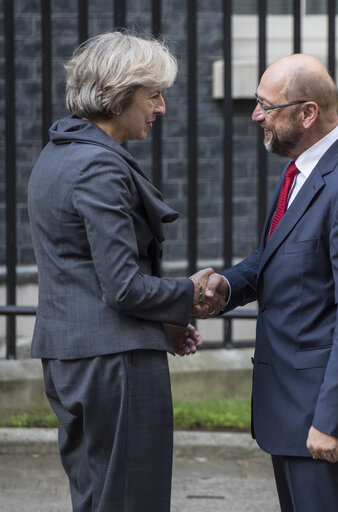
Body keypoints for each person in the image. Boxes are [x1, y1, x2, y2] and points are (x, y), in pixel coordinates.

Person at [27, 31, 223, 512]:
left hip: (73, 357)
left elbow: (88, 272)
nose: (160, 108)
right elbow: (122, 285)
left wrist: (167, 320)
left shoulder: (57, 153)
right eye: (153, 95)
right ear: (118, 94)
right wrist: (188, 294)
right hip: (115, 364)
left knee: (97, 499)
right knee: (134, 500)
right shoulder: (98, 167)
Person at [199, 54, 338, 511]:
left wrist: (331, 421)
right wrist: (226, 287)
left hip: (320, 422)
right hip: (291, 414)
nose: (256, 116)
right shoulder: (303, 170)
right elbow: (281, 255)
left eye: (267, 106)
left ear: (307, 113)